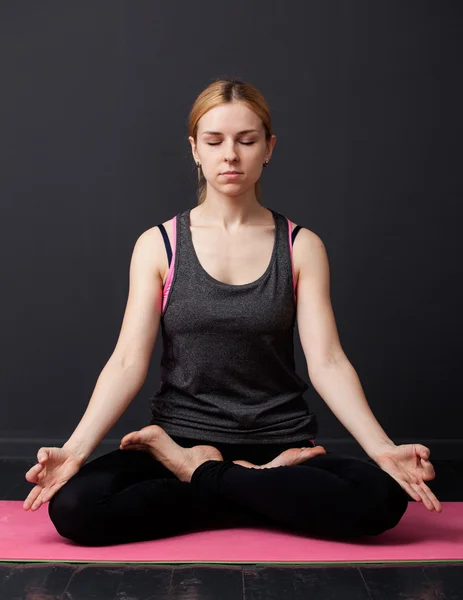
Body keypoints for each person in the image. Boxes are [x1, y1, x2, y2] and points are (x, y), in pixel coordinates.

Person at [23, 79, 441, 547]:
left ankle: (203, 476)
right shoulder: (158, 245)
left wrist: (383, 449)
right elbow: (126, 362)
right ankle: (248, 485)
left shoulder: (301, 246)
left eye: (247, 141)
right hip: (178, 441)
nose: (231, 156)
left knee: (380, 498)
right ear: (195, 150)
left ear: (268, 148)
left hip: (284, 447)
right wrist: (74, 451)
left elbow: (327, 361)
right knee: (77, 508)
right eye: (214, 141)